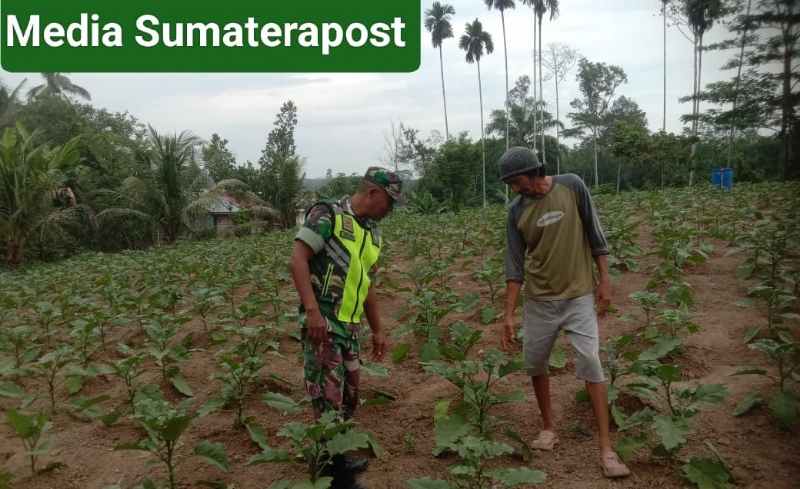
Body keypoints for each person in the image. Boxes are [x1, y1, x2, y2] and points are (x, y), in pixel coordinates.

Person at [498, 146, 631, 479]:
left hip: (579, 296)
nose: (516, 188)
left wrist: (605, 281)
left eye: (518, 181)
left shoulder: (572, 185)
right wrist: (508, 315)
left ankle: (605, 447)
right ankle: (547, 427)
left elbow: (595, 234)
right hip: (539, 301)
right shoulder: (516, 211)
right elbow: (514, 268)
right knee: (536, 363)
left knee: (591, 362)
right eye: (511, 184)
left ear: (534, 172)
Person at [289, 166, 401, 486]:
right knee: (328, 398)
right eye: (389, 203)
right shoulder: (329, 216)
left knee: (349, 395)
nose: (389, 211)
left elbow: (367, 285)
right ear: (372, 193)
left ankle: (335, 454)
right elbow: (297, 258)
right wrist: (312, 312)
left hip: (350, 326)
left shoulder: (371, 232)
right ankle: (333, 475)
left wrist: (377, 329)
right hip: (324, 322)